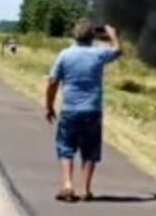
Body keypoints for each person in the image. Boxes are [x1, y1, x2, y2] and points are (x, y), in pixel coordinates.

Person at [45, 20, 121, 202]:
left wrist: (49, 106)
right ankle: (86, 189)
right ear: (92, 36)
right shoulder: (98, 54)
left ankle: (68, 184)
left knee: (65, 147)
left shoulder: (65, 55)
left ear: (74, 35)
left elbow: (52, 82)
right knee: (90, 150)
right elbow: (118, 51)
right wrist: (112, 34)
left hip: (70, 109)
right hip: (92, 110)